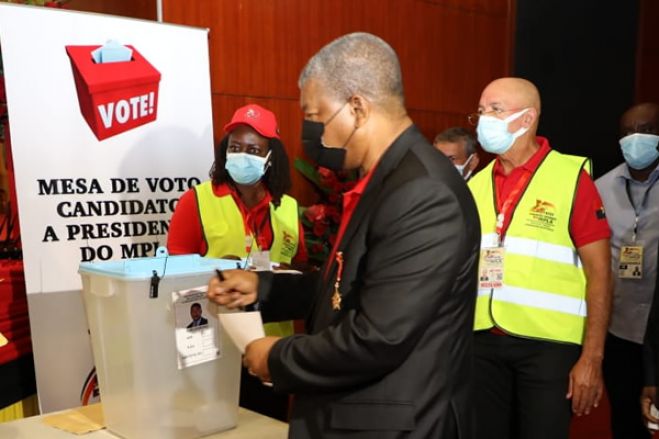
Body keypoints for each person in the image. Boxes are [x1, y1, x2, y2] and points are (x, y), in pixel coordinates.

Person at [207, 32, 480, 438]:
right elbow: (350, 286)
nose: (312, 134)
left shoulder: (423, 193)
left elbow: (379, 337)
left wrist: (276, 357)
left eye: (315, 117)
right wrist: (263, 289)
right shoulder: (386, 180)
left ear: (357, 108)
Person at [467, 77, 612, 439]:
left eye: (496, 110)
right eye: (482, 111)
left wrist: (592, 358)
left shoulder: (570, 178)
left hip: (548, 348)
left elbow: (601, 275)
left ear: (527, 118)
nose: (485, 119)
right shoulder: (474, 184)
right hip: (481, 341)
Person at [167, 103, 307, 421]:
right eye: (235, 147)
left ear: (272, 158)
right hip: (209, 346)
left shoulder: (288, 208)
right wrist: (215, 264)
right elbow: (174, 273)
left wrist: (281, 273)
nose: (243, 155)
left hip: (269, 348)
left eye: (254, 149)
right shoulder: (197, 200)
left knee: (265, 426)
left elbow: (301, 271)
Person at [599, 103, 659, 433]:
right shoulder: (600, 189)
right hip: (618, 328)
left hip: (658, 328)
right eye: (627, 132)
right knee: (623, 417)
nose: (636, 138)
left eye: (646, 130)